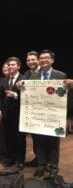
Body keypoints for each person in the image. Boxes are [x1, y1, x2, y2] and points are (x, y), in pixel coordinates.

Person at [29, 49, 67, 178]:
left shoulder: (61, 75)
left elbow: (66, 97)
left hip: (54, 116)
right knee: (39, 142)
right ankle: (41, 166)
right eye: (41, 58)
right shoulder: (33, 76)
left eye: (47, 58)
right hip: (39, 116)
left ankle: (54, 168)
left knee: (53, 142)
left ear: (52, 60)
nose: (44, 60)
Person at [0, 57, 26, 170]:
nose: (10, 67)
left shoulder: (24, 79)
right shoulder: (3, 80)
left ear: (18, 66)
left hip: (18, 113)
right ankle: (10, 158)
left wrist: (16, 95)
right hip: (5, 113)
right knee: (7, 137)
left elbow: (28, 96)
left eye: (13, 65)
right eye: (9, 65)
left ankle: (20, 160)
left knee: (19, 138)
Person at [23, 51, 40, 167]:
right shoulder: (26, 74)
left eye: (33, 59)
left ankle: (46, 161)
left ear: (38, 60)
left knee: (44, 138)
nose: (30, 62)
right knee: (35, 137)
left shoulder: (44, 73)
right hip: (31, 111)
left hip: (44, 111)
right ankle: (38, 158)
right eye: (28, 60)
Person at [0, 62, 9, 158]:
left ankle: (12, 155)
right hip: (2, 111)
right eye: (3, 67)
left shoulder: (18, 79)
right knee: (2, 133)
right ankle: (3, 153)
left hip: (13, 111)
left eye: (6, 67)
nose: (5, 68)